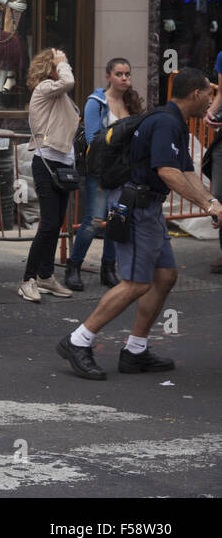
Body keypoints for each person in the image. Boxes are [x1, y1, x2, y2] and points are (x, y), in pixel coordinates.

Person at [57, 67, 222, 380]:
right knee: (136, 282)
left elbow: (186, 173)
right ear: (196, 94)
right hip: (137, 207)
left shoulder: (175, 123)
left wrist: (213, 205)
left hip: (150, 208)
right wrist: (209, 205)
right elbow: (167, 172)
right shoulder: (165, 122)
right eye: (209, 95)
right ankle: (78, 340)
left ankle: (135, 349)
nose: (212, 102)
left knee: (165, 275)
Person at [68, 59, 143, 287]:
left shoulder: (132, 102)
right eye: (119, 74)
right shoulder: (97, 102)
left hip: (124, 172)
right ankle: (74, 266)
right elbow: (93, 141)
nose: (124, 79)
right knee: (94, 220)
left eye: (127, 74)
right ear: (108, 76)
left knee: (116, 218)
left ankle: (108, 268)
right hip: (100, 171)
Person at [18, 49, 79, 302]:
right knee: (49, 224)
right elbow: (68, 81)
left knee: (55, 225)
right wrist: (62, 62)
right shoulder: (45, 87)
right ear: (50, 67)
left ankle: (46, 276)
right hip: (47, 163)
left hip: (63, 163)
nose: (66, 66)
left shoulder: (56, 94)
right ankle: (27, 279)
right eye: (59, 64)